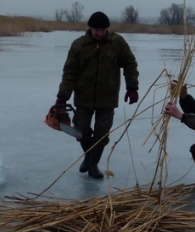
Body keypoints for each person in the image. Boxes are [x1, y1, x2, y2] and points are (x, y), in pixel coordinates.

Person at [52, 11, 139, 179]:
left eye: (103, 30)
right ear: (90, 28)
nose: (99, 33)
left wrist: (132, 87)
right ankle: (89, 156)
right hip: (83, 97)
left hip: (107, 98)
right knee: (81, 130)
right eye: (96, 30)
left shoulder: (117, 43)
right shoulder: (79, 45)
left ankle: (92, 164)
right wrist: (63, 96)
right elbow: (70, 72)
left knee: (102, 133)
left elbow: (130, 64)